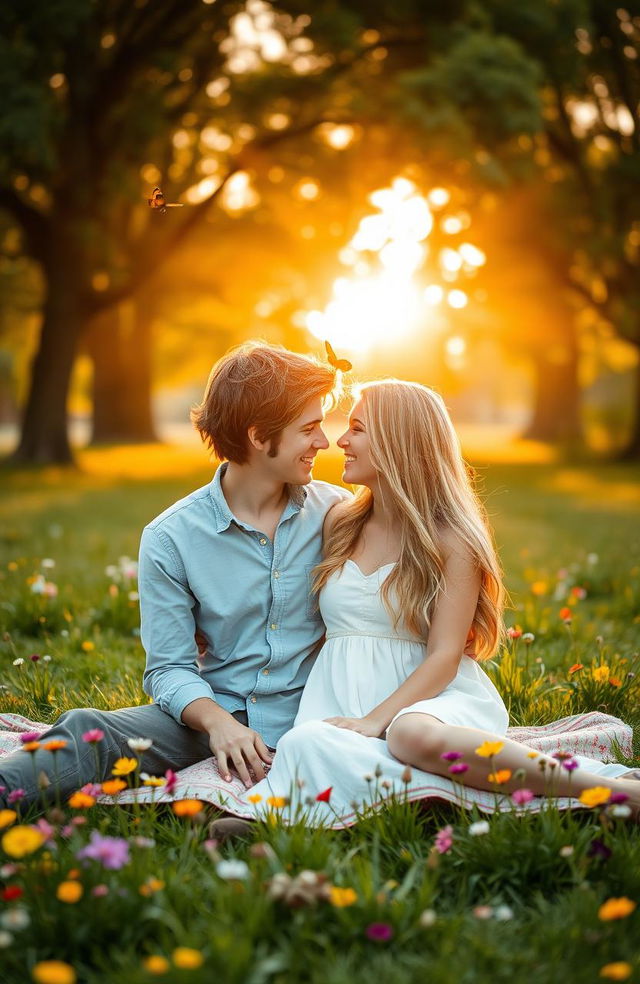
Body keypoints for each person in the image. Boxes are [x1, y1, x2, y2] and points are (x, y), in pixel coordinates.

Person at [235, 380, 639, 821]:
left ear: (398, 441)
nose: (341, 441)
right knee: (304, 742)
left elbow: (446, 655)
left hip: (433, 698)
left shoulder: (453, 539)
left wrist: (377, 720)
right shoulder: (339, 523)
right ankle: (414, 796)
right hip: (340, 698)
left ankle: (606, 790)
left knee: (407, 736)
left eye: (357, 429)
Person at [0, 342, 350, 809]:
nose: (323, 442)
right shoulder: (172, 537)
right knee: (91, 731)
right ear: (256, 434)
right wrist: (219, 723)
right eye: (308, 428)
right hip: (214, 719)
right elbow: (168, 668)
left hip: (320, 719)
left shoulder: (339, 514)